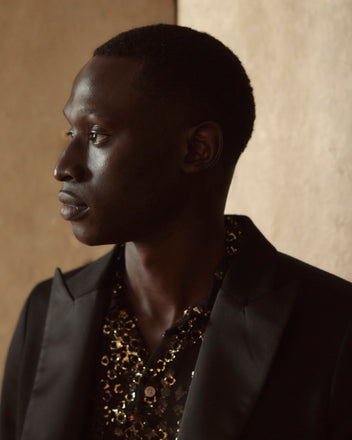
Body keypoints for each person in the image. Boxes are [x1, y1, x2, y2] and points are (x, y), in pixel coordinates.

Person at [1, 23, 351, 440]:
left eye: (97, 135)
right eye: (71, 133)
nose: (64, 166)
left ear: (197, 149)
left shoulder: (333, 328)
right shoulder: (47, 312)